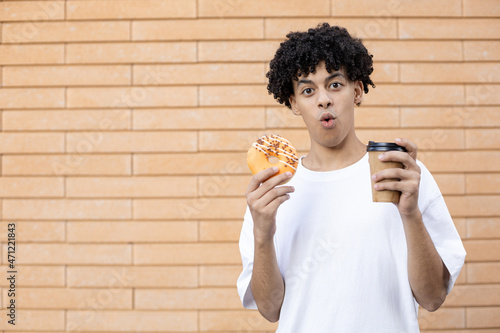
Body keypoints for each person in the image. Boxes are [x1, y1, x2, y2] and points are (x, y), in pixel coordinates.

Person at [237, 23, 466, 332]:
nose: (323, 100)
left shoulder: (400, 173)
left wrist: (410, 213)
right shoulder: (273, 191)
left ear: (356, 91)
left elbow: (433, 297)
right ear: (294, 104)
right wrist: (263, 235)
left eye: (334, 85)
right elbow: (270, 309)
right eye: (307, 90)